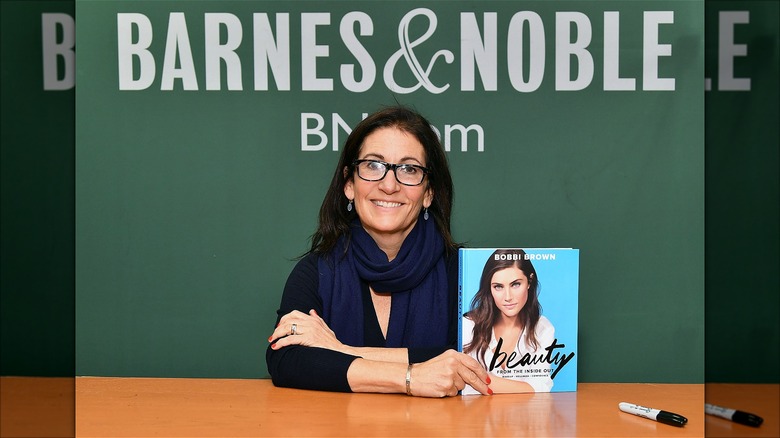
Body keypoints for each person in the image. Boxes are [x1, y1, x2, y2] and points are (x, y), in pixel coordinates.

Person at [266, 106, 491, 397]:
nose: (388, 185)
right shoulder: (317, 271)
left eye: (409, 169)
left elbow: (478, 362)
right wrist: (410, 377)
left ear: (429, 193)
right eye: (373, 165)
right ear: (349, 183)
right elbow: (286, 360)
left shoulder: (463, 272)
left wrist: (340, 350)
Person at [462, 249, 555, 393]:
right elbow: (463, 383)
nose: (508, 297)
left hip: (525, 414)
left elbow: (541, 387)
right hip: (476, 413)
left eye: (515, 284)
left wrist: (479, 380)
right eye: (498, 287)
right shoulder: (468, 325)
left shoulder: (543, 328)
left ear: (529, 282)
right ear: (490, 289)